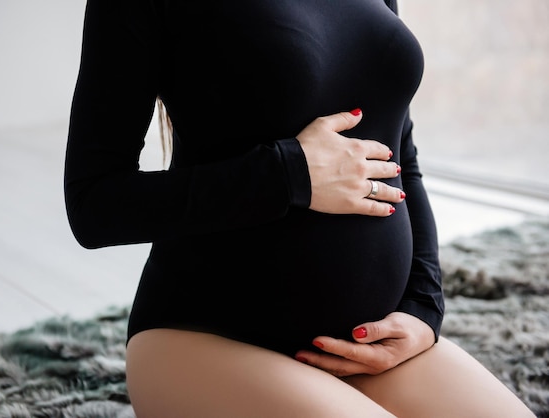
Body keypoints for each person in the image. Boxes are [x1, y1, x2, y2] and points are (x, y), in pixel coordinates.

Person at [64, 0, 536, 417]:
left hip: (365, 345)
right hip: (205, 339)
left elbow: (399, 155)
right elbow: (94, 202)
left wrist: (423, 306)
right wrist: (287, 174)